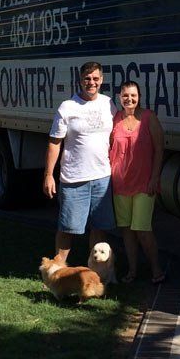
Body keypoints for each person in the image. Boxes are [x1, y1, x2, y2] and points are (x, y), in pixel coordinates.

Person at [44, 62, 117, 263]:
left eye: (95, 78)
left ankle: (95, 272)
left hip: (102, 177)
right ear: (80, 80)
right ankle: (57, 271)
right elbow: (54, 143)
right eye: (87, 78)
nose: (91, 82)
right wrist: (49, 175)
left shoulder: (108, 103)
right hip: (74, 179)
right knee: (68, 228)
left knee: (99, 227)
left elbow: (113, 137)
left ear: (101, 80)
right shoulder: (68, 107)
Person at [110, 80, 165, 284]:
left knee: (142, 228)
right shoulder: (115, 119)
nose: (129, 99)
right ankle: (132, 271)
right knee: (126, 229)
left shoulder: (149, 118)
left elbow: (159, 149)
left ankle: (156, 270)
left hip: (144, 184)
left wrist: (155, 177)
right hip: (120, 184)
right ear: (119, 98)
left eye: (133, 95)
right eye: (125, 96)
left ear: (139, 96)